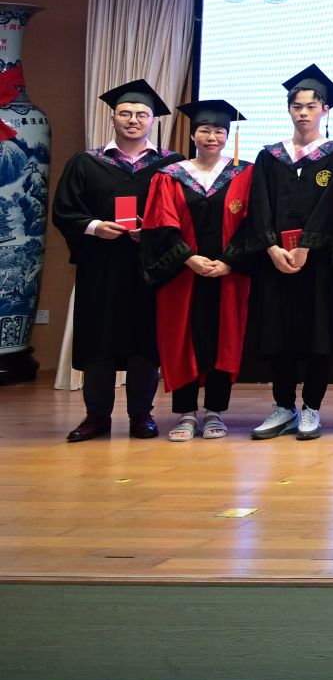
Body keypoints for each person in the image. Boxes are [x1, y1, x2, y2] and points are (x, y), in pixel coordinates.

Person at [53, 80, 180, 441]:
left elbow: (184, 215)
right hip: (101, 266)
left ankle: (141, 414)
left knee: (145, 339)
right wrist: (95, 227)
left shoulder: (171, 165)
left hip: (149, 267)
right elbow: (64, 210)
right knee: (99, 338)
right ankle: (97, 416)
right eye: (125, 113)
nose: (133, 120)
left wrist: (152, 233)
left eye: (141, 114)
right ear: (113, 118)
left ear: (153, 120)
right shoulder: (86, 162)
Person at [244, 65, 333, 442]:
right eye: (297, 106)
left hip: (319, 262)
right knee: (279, 333)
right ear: (288, 109)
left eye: (311, 106)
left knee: (318, 334)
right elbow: (259, 204)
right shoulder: (269, 156)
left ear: (325, 110)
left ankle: (311, 407)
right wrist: (272, 246)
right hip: (276, 261)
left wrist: (306, 246)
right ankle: (282, 407)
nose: (303, 113)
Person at [140, 99, 255, 442]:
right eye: (205, 130)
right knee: (181, 338)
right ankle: (186, 412)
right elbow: (160, 226)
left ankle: (215, 411)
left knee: (224, 338)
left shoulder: (244, 174)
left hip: (228, 274)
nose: (212, 137)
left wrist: (229, 260)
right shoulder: (170, 176)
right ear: (193, 135)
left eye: (219, 131)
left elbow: (253, 223)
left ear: (228, 135)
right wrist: (189, 258)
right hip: (182, 275)